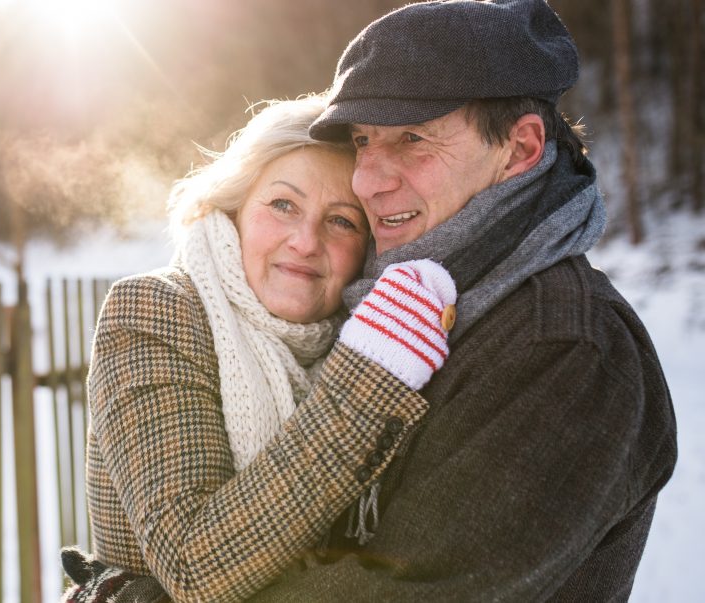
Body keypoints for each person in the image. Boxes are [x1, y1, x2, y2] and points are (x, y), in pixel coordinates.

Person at [245, 0, 678, 601]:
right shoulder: (391, 306)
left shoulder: (565, 349)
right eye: (363, 140)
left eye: (414, 139)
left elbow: (408, 591)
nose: (368, 179)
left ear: (521, 148)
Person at [61, 94, 459, 603]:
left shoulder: (370, 330)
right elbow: (194, 564)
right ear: (235, 210)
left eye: (342, 220)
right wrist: (370, 375)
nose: (305, 241)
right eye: (283, 205)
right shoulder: (156, 311)